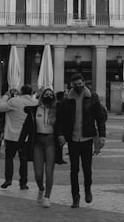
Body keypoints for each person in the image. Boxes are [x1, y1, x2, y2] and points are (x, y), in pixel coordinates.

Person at [55, 74, 107, 208]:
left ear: (84, 83)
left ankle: (87, 189)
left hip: (87, 137)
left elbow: (100, 117)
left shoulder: (92, 98)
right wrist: (60, 134)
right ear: (71, 85)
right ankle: (75, 196)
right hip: (73, 138)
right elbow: (60, 120)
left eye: (80, 83)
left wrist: (102, 135)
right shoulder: (67, 101)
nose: (78, 86)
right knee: (74, 169)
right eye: (75, 84)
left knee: (87, 168)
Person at [0, 86, 38, 190]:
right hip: (26, 137)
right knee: (23, 160)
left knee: (9, 157)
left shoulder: (14, 101)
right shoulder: (35, 102)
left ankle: (8, 179)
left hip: (12, 135)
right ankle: (23, 182)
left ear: (21, 91)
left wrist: (6, 96)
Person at [30, 88, 59, 207]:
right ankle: (41, 188)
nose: (48, 96)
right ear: (42, 96)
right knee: (38, 173)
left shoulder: (56, 110)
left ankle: (47, 196)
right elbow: (28, 125)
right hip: (37, 140)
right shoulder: (35, 109)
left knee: (49, 171)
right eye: (46, 94)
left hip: (51, 140)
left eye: (50, 95)